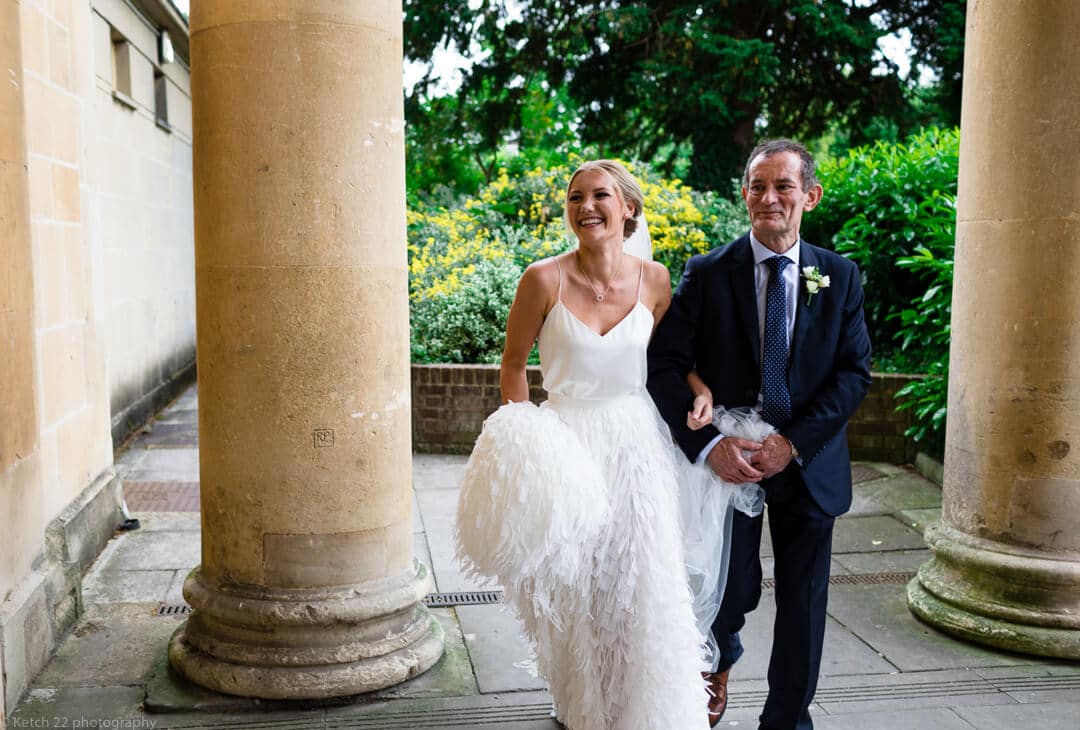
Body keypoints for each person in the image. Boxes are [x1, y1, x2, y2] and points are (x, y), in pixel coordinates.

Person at [456, 160, 715, 730]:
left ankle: (644, 708)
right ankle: (586, 706)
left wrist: (699, 390)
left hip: (635, 447)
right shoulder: (542, 279)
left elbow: (671, 361)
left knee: (636, 581)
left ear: (628, 208)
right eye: (576, 197)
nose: (586, 207)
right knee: (580, 587)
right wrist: (525, 441)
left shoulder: (656, 280)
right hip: (564, 444)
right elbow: (513, 369)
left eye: (600, 196)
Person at [647, 139, 872, 729]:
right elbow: (665, 364)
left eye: (783, 186)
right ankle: (716, 663)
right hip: (731, 459)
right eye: (757, 185)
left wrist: (792, 443)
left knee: (803, 603)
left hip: (807, 461)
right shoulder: (709, 271)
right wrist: (708, 446)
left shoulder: (840, 276)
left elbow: (853, 374)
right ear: (744, 192)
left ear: (810, 196)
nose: (768, 197)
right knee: (730, 586)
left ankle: (788, 721)